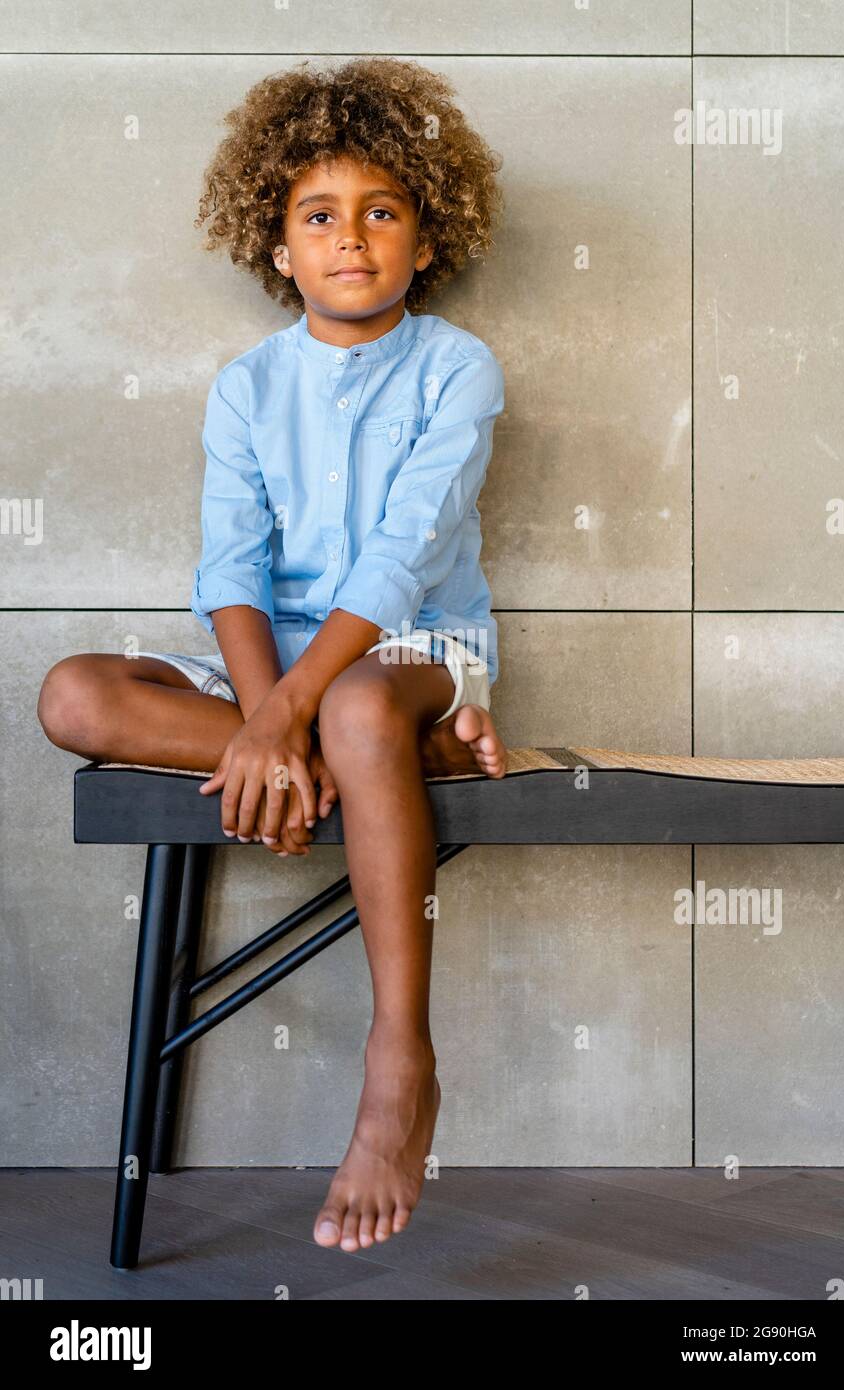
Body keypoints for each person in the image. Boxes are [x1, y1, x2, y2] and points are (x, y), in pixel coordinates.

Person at [37, 56, 508, 1254]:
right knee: (73, 693)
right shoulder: (246, 388)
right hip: (283, 689)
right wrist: (265, 720)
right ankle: (366, 764)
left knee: (358, 703)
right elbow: (230, 573)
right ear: (278, 244)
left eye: (380, 211)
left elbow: (399, 561)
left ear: (425, 233)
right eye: (319, 215)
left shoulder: (458, 367)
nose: (350, 237)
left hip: (411, 653)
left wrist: (289, 715)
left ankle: (399, 1054)